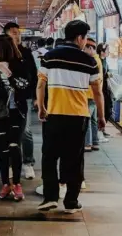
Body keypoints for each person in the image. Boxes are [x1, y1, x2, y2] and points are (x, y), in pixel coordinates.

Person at [36, 20, 105, 214]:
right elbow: (98, 92)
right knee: (74, 159)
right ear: (79, 38)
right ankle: (71, 201)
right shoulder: (90, 61)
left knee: (49, 156)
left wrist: (41, 107)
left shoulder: (49, 57)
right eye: (85, 38)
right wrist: (101, 116)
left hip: (54, 114)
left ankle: (50, 197)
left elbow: (40, 85)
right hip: (78, 117)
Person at [0, 35, 30, 201]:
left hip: (17, 111)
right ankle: (6, 183)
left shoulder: (19, 65)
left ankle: (18, 183)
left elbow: (25, 85)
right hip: (0, 113)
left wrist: (7, 73)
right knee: (2, 148)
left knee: (15, 146)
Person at [3, 22, 36, 180]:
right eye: (13, 33)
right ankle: (11, 164)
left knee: (26, 131)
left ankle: (28, 163)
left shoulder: (26, 53)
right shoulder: (2, 53)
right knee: (8, 132)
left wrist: (36, 97)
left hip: (24, 98)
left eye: (18, 32)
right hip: (6, 99)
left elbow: (34, 75)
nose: (17, 35)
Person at [84, 37, 102, 152]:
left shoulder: (92, 61)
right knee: (94, 120)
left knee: (87, 120)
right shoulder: (97, 59)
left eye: (85, 48)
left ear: (90, 48)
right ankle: (95, 142)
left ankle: (88, 143)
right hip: (95, 94)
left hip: (90, 94)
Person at [97, 43, 112, 126]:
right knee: (103, 108)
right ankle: (100, 129)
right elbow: (100, 74)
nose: (108, 52)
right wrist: (107, 75)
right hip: (100, 88)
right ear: (102, 51)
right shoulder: (98, 61)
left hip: (105, 87)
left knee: (108, 108)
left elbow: (107, 71)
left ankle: (102, 128)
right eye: (107, 50)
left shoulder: (105, 61)